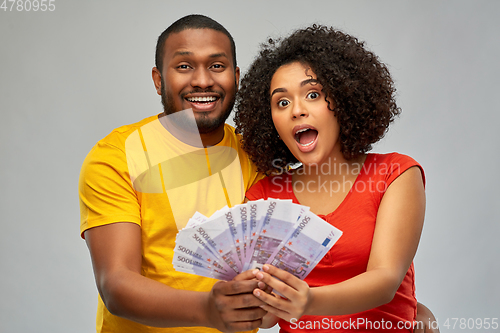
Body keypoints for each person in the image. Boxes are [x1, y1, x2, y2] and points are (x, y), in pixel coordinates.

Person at [234, 25, 438, 332]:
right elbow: (267, 318)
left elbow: (384, 280)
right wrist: (250, 299)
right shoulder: (263, 198)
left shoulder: (395, 174)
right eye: (282, 102)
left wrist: (309, 301)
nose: (296, 111)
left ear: (343, 99)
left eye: (312, 94)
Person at [79, 14, 268, 333]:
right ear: (158, 79)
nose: (203, 80)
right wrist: (209, 310)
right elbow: (115, 283)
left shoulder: (257, 155)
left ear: (235, 77)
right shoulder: (117, 155)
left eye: (217, 66)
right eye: (184, 66)